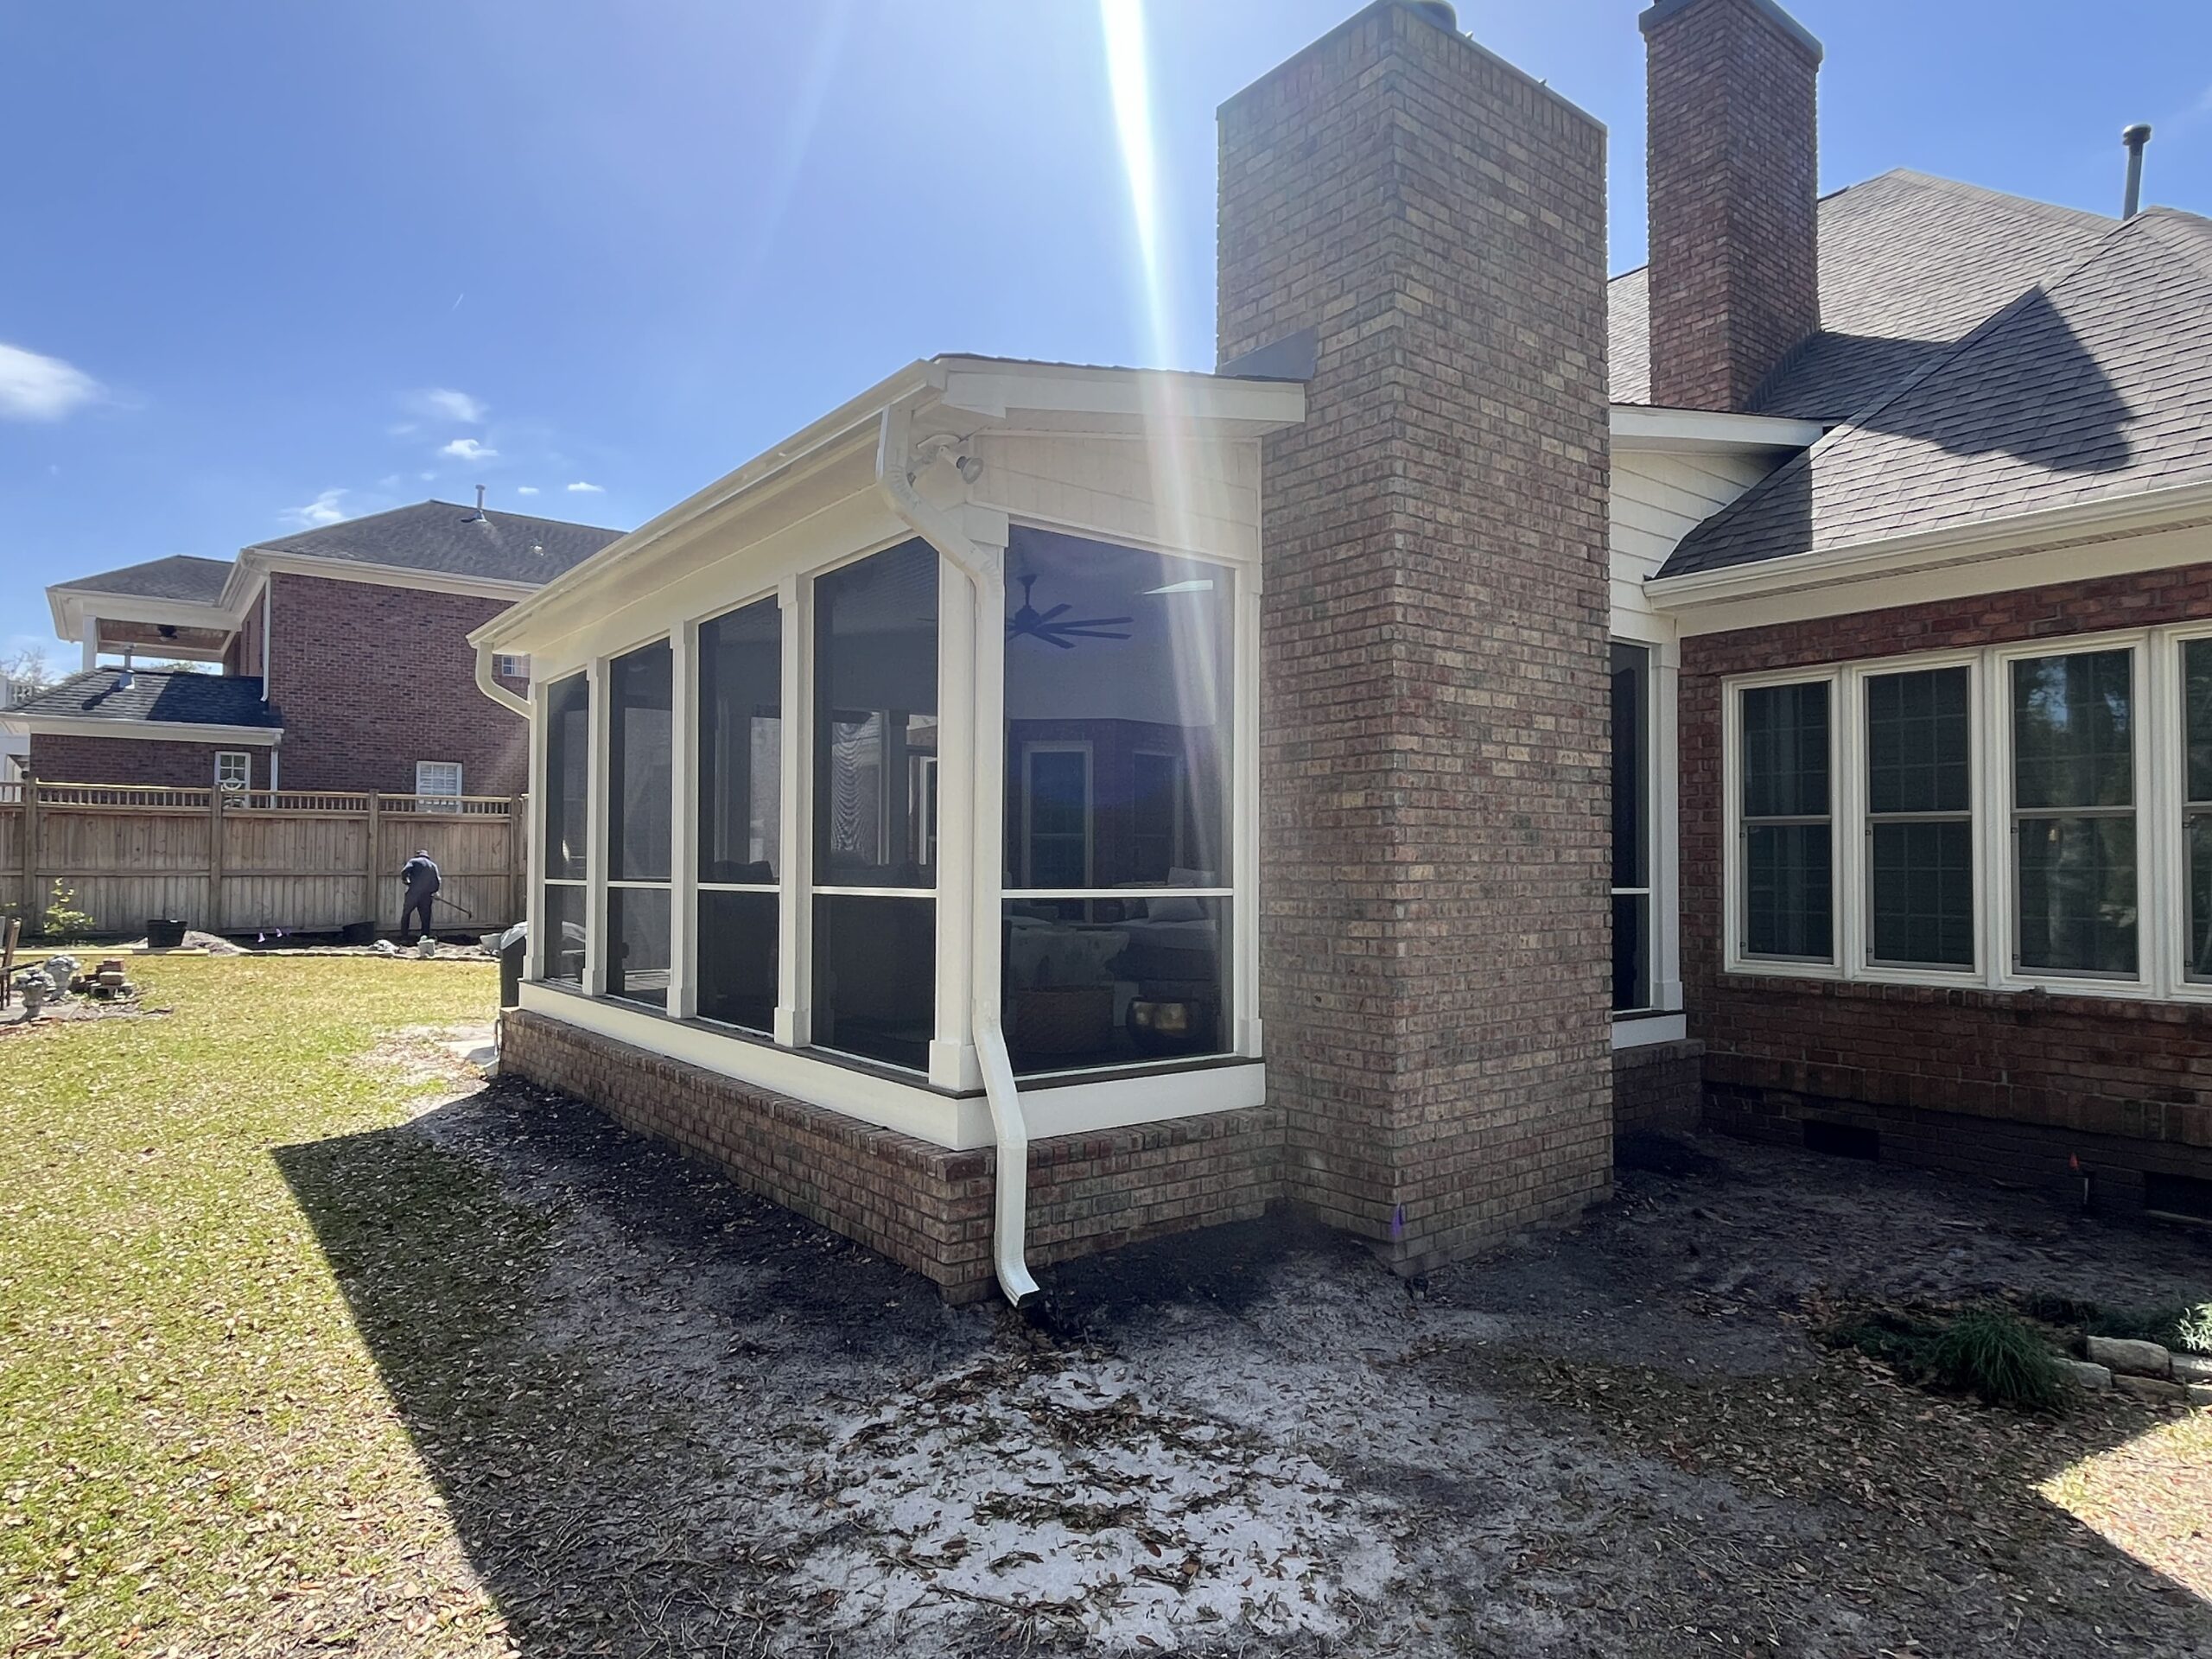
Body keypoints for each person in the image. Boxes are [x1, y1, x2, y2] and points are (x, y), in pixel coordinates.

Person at [399, 849, 442, 939]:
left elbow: (404, 871)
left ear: (418, 855)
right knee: (426, 917)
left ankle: (404, 936)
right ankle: (425, 937)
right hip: (426, 895)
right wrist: (433, 891)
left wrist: (406, 881)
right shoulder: (433, 865)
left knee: (406, 914)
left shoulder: (414, 861)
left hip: (414, 893)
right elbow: (438, 881)